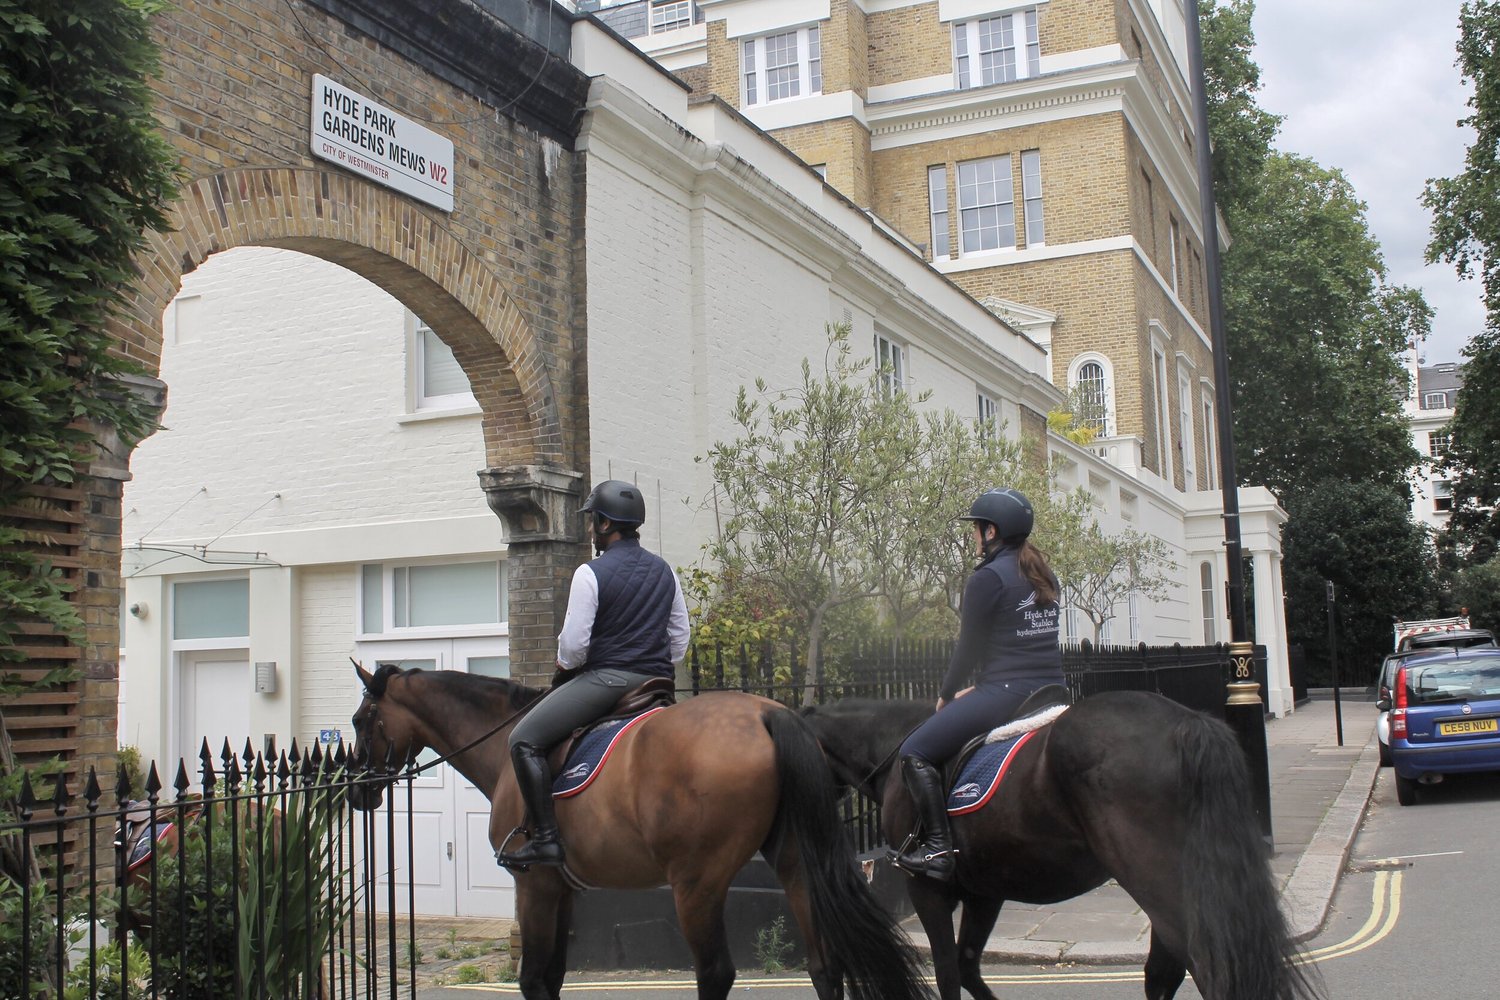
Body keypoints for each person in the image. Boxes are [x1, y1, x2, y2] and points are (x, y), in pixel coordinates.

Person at [495, 479, 690, 869]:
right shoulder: (664, 571)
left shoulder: (590, 573)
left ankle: (546, 839)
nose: (590, 528)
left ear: (604, 524)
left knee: (523, 739)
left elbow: (573, 647)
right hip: (657, 683)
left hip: (607, 681)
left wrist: (564, 668)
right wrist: (649, 662)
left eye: (592, 520)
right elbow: (680, 640)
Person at [889, 487, 1064, 881]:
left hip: (1008, 693)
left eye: (976, 528)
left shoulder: (988, 578)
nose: (974, 536)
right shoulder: (1041, 571)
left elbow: (968, 649)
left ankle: (938, 850)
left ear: (991, 531)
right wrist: (983, 686)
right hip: (1050, 689)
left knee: (915, 750)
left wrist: (947, 695)